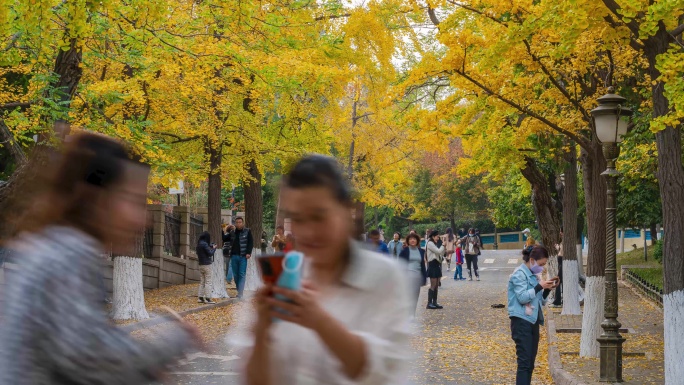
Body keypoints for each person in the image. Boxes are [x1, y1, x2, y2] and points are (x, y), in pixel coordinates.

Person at [0, 133, 201, 384]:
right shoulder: (67, 253)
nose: (144, 219)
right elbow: (94, 357)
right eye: (133, 201)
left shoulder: (56, 246)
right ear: (95, 198)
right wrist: (176, 339)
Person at [241, 154, 411, 385]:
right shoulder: (283, 275)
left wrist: (319, 321)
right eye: (298, 219)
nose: (308, 232)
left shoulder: (383, 276)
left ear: (345, 211)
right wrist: (261, 330)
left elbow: (381, 371)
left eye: (319, 216)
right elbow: (253, 379)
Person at [508, 246, 556, 385]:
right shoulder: (519, 274)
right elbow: (523, 298)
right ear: (532, 260)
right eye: (540, 264)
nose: (542, 268)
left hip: (532, 321)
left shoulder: (533, 275)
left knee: (530, 363)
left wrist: (547, 289)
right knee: (524, 364)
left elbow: (540, 300)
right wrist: (539, 286)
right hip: (521, 322)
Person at [398, 232, 426, 316]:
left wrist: (424, 277)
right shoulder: (404, 251)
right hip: (407, 276)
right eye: (410, 239)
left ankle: (412, 314)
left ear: (417, 241)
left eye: (414, 239)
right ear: (408, 241)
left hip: (417, 276)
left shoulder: (421, 251)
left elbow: (422, 265)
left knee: (415, 296)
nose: (412, 240)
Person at [230, 217, 254, 299]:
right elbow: (226, 239)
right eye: (237, 222)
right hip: (234, 256)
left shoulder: (247, 231)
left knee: (241, 274)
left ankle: (240, 293)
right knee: (236, 275)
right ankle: (239, 289)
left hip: (243, 256)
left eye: (240, 222)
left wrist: (248, 252)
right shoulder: (233, 232)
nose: (238, 224)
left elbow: (250, 242)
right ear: (235, 223)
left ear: (243, 223)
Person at [425, 230, 445, 309]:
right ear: (433, 236)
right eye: (437, 237)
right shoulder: (430, 243)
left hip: (437, 264)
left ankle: (434, 302)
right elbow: (438, 251)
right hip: (432, 264)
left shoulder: (434, 243)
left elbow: (441, 253)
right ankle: (429, 303)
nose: (438, 238)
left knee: (436, 285)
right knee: (433, 285)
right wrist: (443, 245)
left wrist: (443, 247)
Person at [196, 231, 217, 304]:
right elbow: (210, 253)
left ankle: (200, 297)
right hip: (207, 265)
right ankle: (208, 298)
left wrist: (210, 246)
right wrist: (214, 248)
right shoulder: (205, 244)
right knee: (208, 282)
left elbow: (204, 251)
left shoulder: (199, 244)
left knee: (202, 282)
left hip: (201, 265)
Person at [552, 231, 564, 308]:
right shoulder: (563, 241)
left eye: (561, 231)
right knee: (560, 281)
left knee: (558, 281)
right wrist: (558, 248)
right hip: (561, 263)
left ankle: (557, 301)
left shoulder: (565, 241)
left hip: (563, 263)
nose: (560, 233)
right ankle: (559, 300)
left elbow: (562, 253)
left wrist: (558, 248)